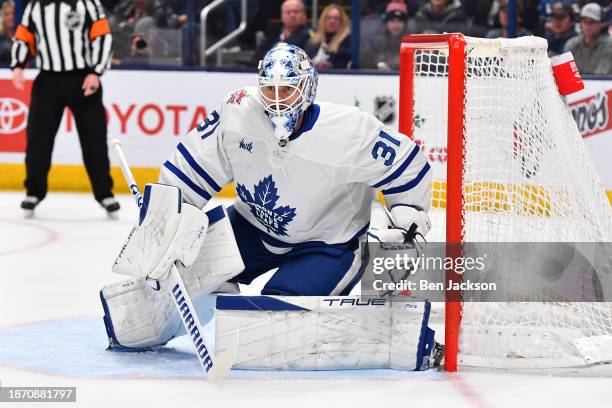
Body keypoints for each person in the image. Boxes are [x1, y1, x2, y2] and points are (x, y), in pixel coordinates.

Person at [100, 43, 432, 350]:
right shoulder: (238, 111)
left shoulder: (350, 131)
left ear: (306, 88)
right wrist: (165, 225)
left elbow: (407, 167)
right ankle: (178, 313)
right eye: (269, 89)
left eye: (286, 89)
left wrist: (406, 215)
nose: (276, 100)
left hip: (328, 245)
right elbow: (189, 170)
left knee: (272, 325)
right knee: (172, 288)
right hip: (250, 229)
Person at [11, 0, 119, 217]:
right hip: (48, 80)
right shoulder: (36, 5)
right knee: (38, 140)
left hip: (83, 79)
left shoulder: (88, 4)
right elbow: (24, 36)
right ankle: (34, 191)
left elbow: (102, 36)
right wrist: (18, 65)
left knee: (94, 141)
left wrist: (96, 72)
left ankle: (104, 193)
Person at [361, 0, 410, 70]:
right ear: (386, 23)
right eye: (392, 21)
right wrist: (379, 65)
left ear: (405, 24)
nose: (396, 25)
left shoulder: (411, 41)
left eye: (400, 21)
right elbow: (366, 58)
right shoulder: (377, 40)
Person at [564, 3, 612, 74]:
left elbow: (602, 75)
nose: (588, 25)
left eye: (592, 21)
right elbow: (566, 74)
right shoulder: (571, 44)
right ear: (580, 23)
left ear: (602, 23)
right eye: (584, 21)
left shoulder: (610, 45)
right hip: (576, 84)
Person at [304, 3, 352, 69]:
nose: (332, 21)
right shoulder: (313, 42)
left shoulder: (347, 41)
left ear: (342, 22)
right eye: (329, 18)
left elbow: (344, 63)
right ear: (323, 20)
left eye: (336, 18)